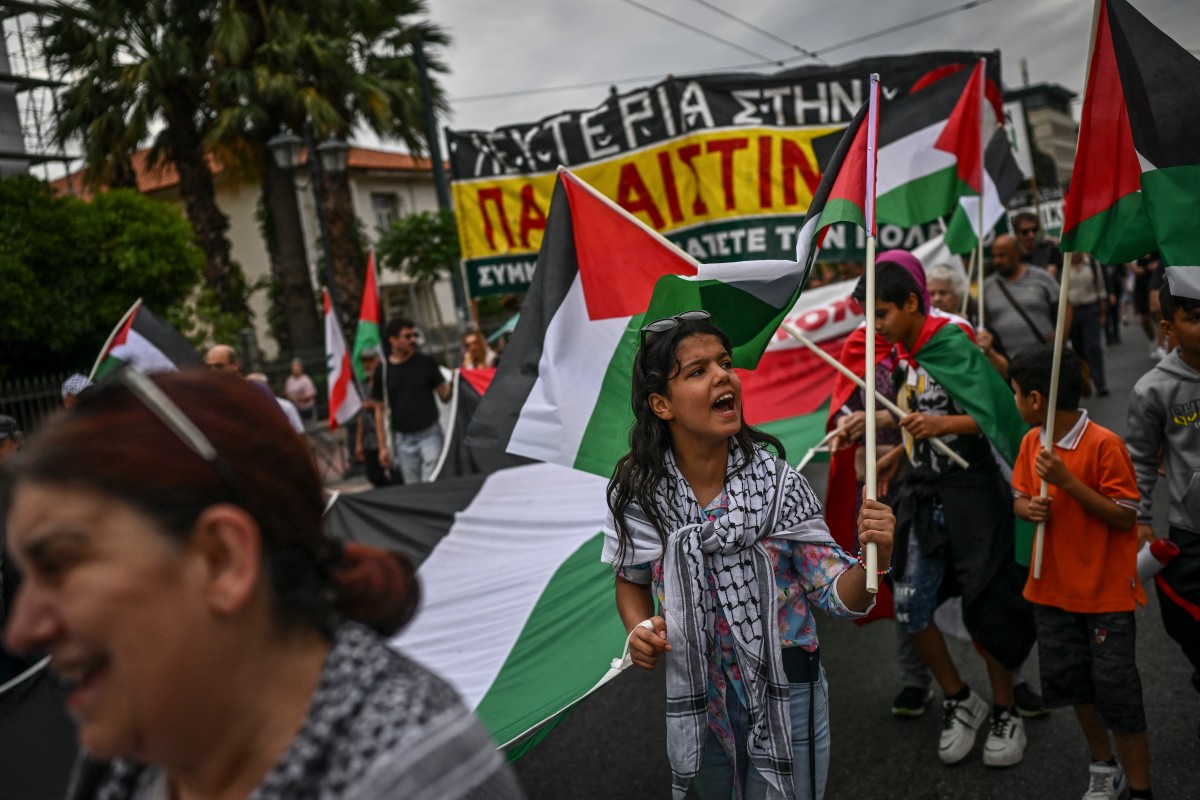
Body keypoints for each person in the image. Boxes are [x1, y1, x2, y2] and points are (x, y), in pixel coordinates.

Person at [1, 369, 525, 800]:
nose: (22, 630)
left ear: (222, 559)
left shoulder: (415, 776)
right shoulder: (132, 756)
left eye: (60, 565)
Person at [603, 310, 895, 799]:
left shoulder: (782, 487)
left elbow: (840, 597)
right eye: (698, 371)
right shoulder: (640, 496)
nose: (722, 376)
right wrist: (639, 629)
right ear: (661, 404)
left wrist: (876, 559)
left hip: (788, 690)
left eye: (725, 363)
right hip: (701, 696)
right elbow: (630, 578)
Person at [867, 261, 1036, 769]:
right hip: (922, 496)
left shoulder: (952, 341)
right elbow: (915, 419)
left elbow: (996, 414)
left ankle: (1005, 710)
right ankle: (960, 699)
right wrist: (900, 455)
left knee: (989, 604)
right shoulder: (901, 355)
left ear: (911, 304)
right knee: (910, 603)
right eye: (870, 316)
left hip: (973, 495)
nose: (876, 326)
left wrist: (941, 425)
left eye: (882, 314)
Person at [1009, 345, 1152, 800]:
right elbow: (1020, 498)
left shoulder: (1104, 444)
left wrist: (1067, 482)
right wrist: (1029, 508)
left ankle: (1141, 788)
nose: (1014, 400)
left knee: (1119, 694)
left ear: (1035, 399)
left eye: (1015, 392)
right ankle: (1103, 766)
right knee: (1077, 687)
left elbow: (1125, 516)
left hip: (1104, 596)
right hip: (1051, 591)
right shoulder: (1032, 442)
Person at [1126, 286, 1200, 745]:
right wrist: (1140, 517)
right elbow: (1138, 456)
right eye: (1195, 317)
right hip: (1190, 529)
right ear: (1169, 328)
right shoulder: (1153, 388)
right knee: (1183, 622)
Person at [372, 318, 451, 484]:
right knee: (413, 487)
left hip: (430, 434)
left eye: (414, 335)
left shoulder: (426, 362)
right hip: (402, 439)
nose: (413, 339)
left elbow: (444, 396)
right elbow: (379, 410)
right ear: (393, 340)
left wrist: (455, 381)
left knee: (431, 481)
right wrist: (382, 447)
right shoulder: (383, 371)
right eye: (407, 336)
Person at [984, 233, 1070, 359]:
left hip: (1046, 357)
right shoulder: (987, 286)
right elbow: (984, 320)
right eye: (994, 256)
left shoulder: (1042, 277)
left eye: (1002, 255)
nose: (997, 261)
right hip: (1010, 362)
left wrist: (1061, 336)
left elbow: (1065, 305)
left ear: (1016, 254)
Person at [926, 263, 1009, 377]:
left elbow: (1005, 373)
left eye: (943, 293)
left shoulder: (977, 325)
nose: (937, 298)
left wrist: (989, 352)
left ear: (957, 295)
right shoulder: (921, 328)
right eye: (931, 294)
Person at [1068, 252, 1111, 397]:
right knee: (1078, 348)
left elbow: (1101, 288)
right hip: (1072, 311)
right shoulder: (1063, 265)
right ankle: (1085, 379)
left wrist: (1103, 312)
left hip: (1090, 308)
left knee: (1093, 346)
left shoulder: (1092, 263)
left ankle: (1100, 382)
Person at [355, 349, 393, 488]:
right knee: (373, 474)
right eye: (364, 362)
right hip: (370, 439)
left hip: (387, 435)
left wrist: (376, 405)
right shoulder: (363, 387)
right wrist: (359, 442)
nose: (367, 365)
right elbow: (361, 417)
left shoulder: (387, 381)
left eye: (370, 361)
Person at [1012, 211, 1063, 276]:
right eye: (1025, 232)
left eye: (1034, 230)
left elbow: (1051, 275)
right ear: (1016, 233)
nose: (1031, 235)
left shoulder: (1049, 248)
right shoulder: (1013, 255)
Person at [284, 358, 318, 424]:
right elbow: (287, 392)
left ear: (301, 369)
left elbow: (311, 395)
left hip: (307, 409)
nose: (295, 370)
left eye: (297, 369)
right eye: (294, 369)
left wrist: (298, 399)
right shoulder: (290, 380)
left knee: (311, 427)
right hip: (295, 409)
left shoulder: (306, 380)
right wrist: (289, 397)